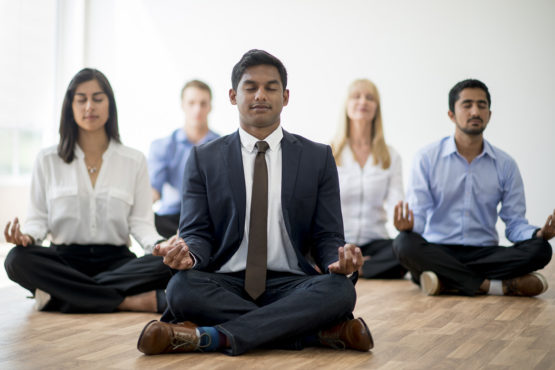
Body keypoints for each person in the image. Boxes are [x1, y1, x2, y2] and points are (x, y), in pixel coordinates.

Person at [136, 49, 373, 356]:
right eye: (251, 87)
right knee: (180, 288)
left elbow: (328, 235)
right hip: (225, 281)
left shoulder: (317, 158)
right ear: (234, 96)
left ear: (285, 97)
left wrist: (339, 262)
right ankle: (316, 333)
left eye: (271, 87)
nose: (260, 94)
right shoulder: (203, 159)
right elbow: (197, 233)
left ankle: (210, 337)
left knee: (340, 290)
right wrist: (189, 256)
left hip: (292, 283)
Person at [3, 68, 173, 313]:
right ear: (70, 106)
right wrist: (26, 237)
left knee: (169, 265)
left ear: (109, 105)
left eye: (97, 98)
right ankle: (128, 301)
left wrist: (161, 245)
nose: (89, 107)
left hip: (116, 262)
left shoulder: (134, 160)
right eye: (81, 99)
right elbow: (38, 219)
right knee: (16, 260)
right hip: (64, 261)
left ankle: (58, 297)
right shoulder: (47, 159)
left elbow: (141, 224)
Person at [392, 79, 554, 297]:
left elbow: (514, 223)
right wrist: (408, 227)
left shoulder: (505, 164)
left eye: (482, 105)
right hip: (440, 249)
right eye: (467, 105)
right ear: (451, 114)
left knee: (541, 249)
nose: (475, 111)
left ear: (489, 114)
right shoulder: (427, 158)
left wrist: (538, 233)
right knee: (404, 243)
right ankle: (493, 286)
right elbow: (419, 216)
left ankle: (444, 280)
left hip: (484, 253)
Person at [331, 79, 406, 279]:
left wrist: (402, 223)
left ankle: (356, 268)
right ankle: (362, 266)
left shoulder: (390, 156)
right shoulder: (329, 153)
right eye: (356, 96)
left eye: (369, 98)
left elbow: (396, 201)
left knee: (407, 249)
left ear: (376, 109)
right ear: (346, 106)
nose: (363, 101)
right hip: (339, 242)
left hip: (376, 242)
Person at [148, 80, 219, 238]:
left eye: (203, 103)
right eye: (191, 103)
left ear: (210, 107)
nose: (197, 109)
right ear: (182, 105)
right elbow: (153, 191)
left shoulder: (223, 147)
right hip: (169, 220)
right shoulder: (163, 146)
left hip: (206, 220)